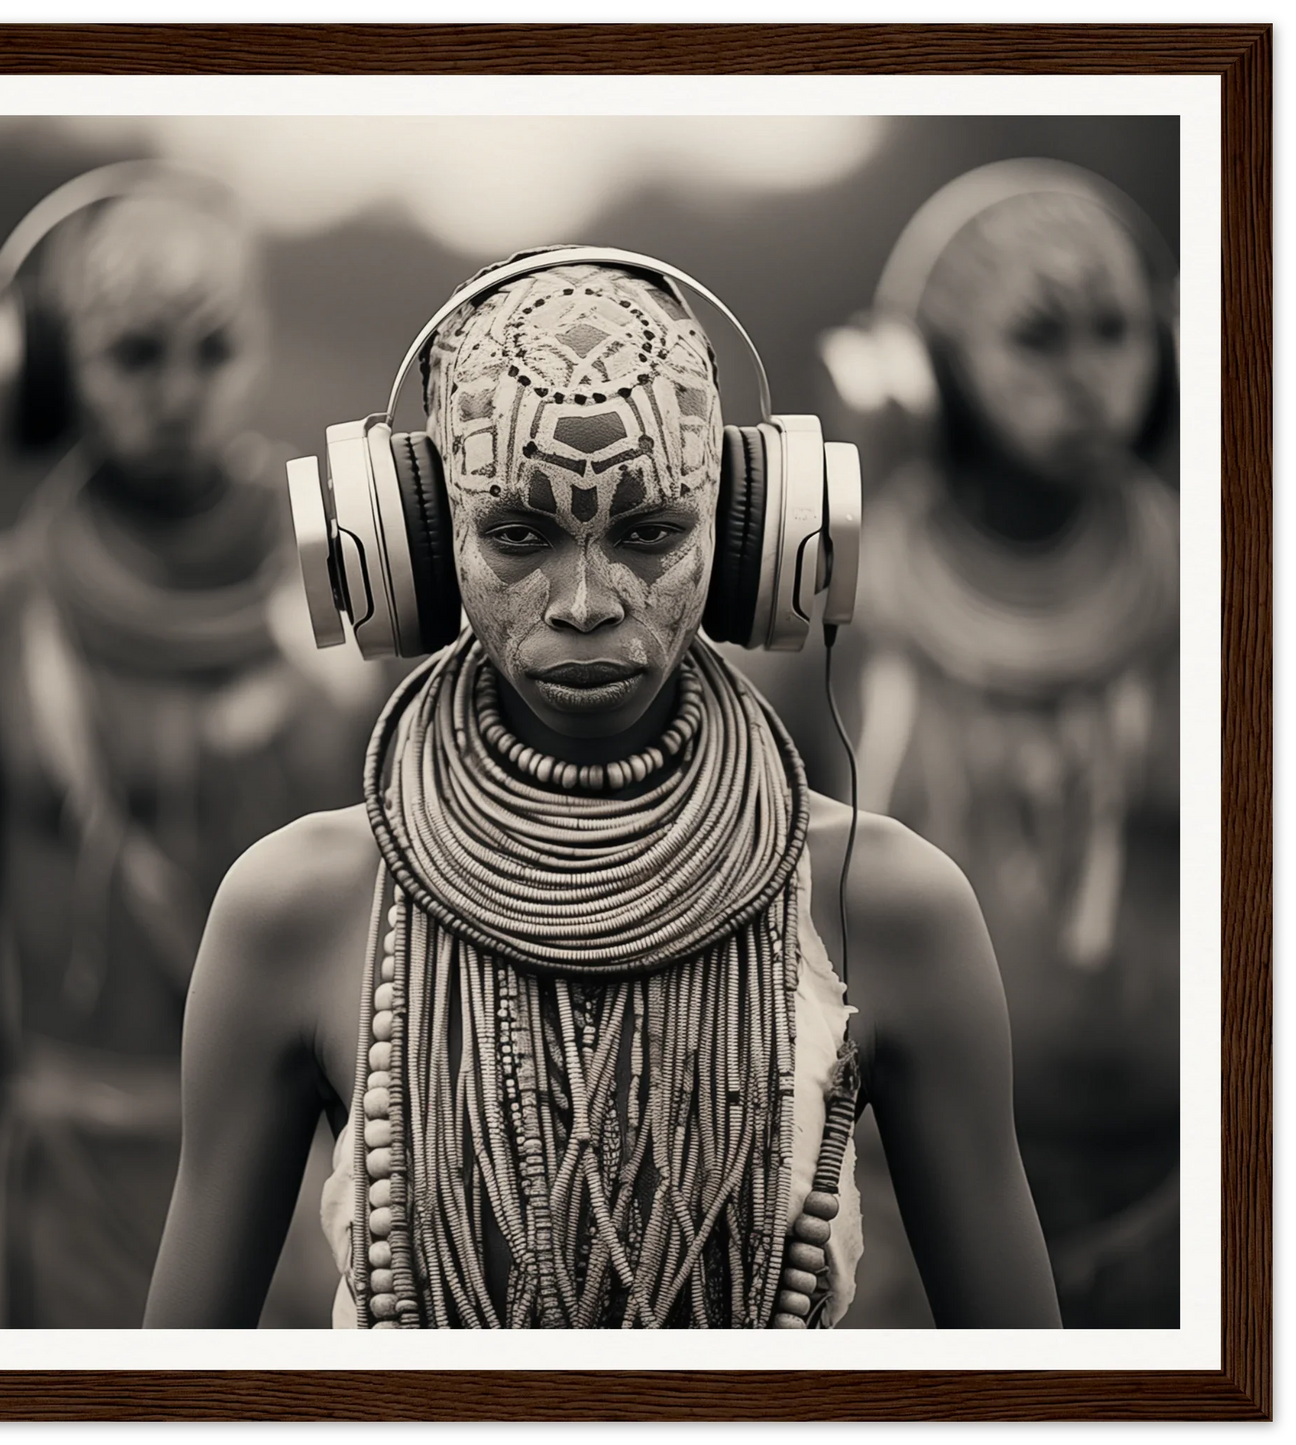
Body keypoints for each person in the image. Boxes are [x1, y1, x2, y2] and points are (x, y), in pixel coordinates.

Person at [144, 251, 1062, 1329]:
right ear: (417, 546)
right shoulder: (296, 909)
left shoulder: (884, 901)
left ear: (748, 532)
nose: (585, 600)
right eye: (518, 535)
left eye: (648, 532)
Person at [0, 170, 401, 1327]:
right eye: (134, 354)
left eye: (212, 351)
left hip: (329, 1184)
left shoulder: (360, 598)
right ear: (48, 367)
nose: (178, 392)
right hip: (76, 1195)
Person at [755, 162, 1181, 1328]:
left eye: (1118, 330)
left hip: (1190, 1202)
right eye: (1038, 339)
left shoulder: (1225, 591)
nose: (1091, 376)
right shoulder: (824, 599)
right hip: (883, 1214)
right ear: (916, 377)